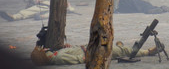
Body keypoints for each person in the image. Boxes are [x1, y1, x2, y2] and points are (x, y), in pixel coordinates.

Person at [30, 41, 158, 66]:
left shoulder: (55, 54)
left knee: (114, 46)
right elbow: (80, 59)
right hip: (92, 52)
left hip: (88, 48)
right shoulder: (58, 58)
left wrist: (68, 47)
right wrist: (93, 55)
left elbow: (73, 52)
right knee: (120, 51)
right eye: (41, 50)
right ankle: (147, 52)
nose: (43, 49)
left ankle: (119, 47)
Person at [0, 0, 77, 21]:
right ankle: (14, 16)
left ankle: (14, 17)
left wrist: (68, 5)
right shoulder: (51, 1)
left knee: (29, 13)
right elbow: (43, 1)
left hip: (47, 10)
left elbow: (71, 10)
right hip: (41, 6)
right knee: (27, 11)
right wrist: (37, 0)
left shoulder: (66, 7)